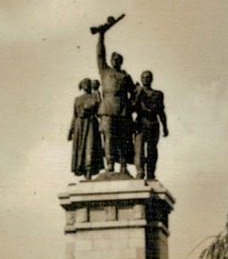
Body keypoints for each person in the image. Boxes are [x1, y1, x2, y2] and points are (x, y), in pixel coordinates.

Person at [95, 16, 137, 176]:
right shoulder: (105, 71)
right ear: (111, 61)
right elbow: (100, 54)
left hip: (123, 110)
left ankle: (124, 165)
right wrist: (101, 35)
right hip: (107, 108)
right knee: (109, 139)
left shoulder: (126, 76)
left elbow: (134, 93)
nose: (116, 61)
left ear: (121, 61)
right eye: (114, 59)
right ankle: (110, 164)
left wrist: (131, 106)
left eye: (118, 59)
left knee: (124, 140)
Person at [133, 69, 168, 181]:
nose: (145, 79)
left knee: (152, 150)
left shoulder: (158, 94)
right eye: (143, 77)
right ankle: (140, 172)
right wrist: (137, 96)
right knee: (139, 150)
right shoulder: (137, 92)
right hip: (140, 123)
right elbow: (132, 107)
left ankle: (151, 173)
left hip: (153, 124)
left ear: (151, 79)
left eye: (148, 77)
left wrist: (165, 126)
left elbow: (161, 111)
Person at [69, 79, 104, 179]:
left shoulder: (94, 96)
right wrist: (71, 130)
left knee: (90, 147)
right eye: (84, 84)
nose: (86, 85)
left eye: (88, 83)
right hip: (79, 125)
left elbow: (99, 108)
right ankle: (84, 172)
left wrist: (97, 93)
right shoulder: (77, 99)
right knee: (81, 149)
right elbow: (74, 115)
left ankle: (89, 172)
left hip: (90, 123)